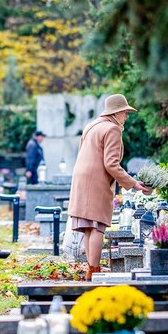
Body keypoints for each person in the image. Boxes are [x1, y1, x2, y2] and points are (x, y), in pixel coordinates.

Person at [67, 94, 151, 280]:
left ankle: (91, 270)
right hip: (96, 180)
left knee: (89, 226)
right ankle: (94, 270)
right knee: (97, 226)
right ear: (117, 112)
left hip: (81, 177)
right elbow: (111, 164)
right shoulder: (112, 129)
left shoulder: (91, 125)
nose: (127, 117)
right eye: (125, 113)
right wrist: (133, 183)